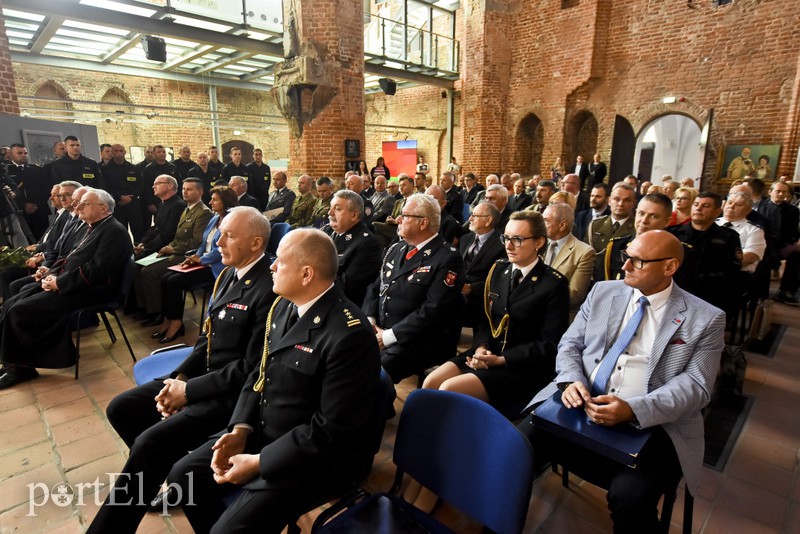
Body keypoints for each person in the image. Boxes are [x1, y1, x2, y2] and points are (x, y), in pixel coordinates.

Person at [168, 228, 380, 533]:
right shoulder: (284, 307)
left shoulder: (349, 334)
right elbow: (260, 373)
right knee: (183, 476)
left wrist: (258, 462)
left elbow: (332, 431)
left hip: (312, 457)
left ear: (306, 274)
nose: (271, 266)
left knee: (228, 529)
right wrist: (240, 428)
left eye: (279, 262)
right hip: (265, 430)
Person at [520, 230, 725, 533]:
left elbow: (697, 385)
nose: (625, 266)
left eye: (637, 261)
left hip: (654, 425)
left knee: (630, 500)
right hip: (579, 404)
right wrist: (572, 380)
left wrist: (633, 409)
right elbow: (569, 344)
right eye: (625, 257)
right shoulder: (604, 291)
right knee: (512, 449)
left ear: (669, 267)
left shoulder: (705, 317)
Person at [87, 207, 276, 534]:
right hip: (203, 379)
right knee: (123, 409)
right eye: (220, 232)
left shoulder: (270, 288)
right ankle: (156, 477)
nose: (218, 241)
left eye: (229, 235)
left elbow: (251, 367)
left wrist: (189, 392)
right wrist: (179, 379)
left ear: (256, 243)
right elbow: (206, 339)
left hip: (231, 397)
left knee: (150, 443)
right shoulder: (230, 273)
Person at [426, 209, 569, 405]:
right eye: (506, 238)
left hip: (520, 366)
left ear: (539, 242)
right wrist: (481, 347)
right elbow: (486, 319)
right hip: (488, 352)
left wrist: (502, 359)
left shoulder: (553, 283)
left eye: (517, 239)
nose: (508, 246)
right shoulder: (499, 269)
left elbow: (549, 344)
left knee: (448, 389)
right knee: (431, 382)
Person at [0, 189, 132, 388]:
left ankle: (22, 368)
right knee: (12, 302)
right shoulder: (93, 227)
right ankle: (12, 361)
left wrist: (59, 283)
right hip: (74, 284)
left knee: (20, 310)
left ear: (103, 208)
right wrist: (50, 274)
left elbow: (96, 270)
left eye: (85, 203)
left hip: (94, 290)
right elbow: (69, 257)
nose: (77, 207)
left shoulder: (114, 230)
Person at [363, 194, 464, 383]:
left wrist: (387, 337)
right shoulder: (397, 248)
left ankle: (378, 407)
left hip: (419, 339)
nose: (398, 219)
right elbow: (376, 286)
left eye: (405, 215)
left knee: (371, 370)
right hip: (381, 330)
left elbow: (434, 310)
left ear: (423, 223)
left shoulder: (447, 257)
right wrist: (370, 320)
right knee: (342, 355)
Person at [152, 185, 239, 343]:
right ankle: (168, 319)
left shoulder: (232, 221)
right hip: (203, 262)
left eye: (214, 199)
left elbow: (223, 247)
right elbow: (203, 243)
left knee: (173, 282)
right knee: (165, 278)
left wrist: (202, 260)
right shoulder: (214, 218)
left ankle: (176, 323)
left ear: (225, 202)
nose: (210, 202)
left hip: (217, 267)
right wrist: (195, 257)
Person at [134, 178, 212, 325]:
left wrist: (172, 249)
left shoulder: (203, 212)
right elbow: (176, 236)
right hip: (174, 251)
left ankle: (157, 312)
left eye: (189, 189)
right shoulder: (186, 210)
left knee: (148, 272)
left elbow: (196, 242)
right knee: (138, 265)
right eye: (184, 189)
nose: (185, 192)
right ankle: (145, 309)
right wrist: (166, 248)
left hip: (185, 255)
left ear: (200, 192)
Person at [669, 192, 743, 315]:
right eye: (696, 204)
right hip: (675, 292)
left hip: (709, 296)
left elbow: (731, 271)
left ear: (717, 212)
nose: (698, 208)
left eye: (706, 206)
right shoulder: (674, 233)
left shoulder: (728, 237)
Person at [323, 190, 382, 306]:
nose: (330, 213)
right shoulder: (328, 230)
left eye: (338, 209)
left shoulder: (367, 243)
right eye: (331, 208)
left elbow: (346, 287)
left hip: (339, 304)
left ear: (354, 215)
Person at [598, 193, 673, 282]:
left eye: (654, 216)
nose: (644, 220)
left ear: (667, 221)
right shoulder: (616, 246)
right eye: (641, 213)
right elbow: (602, 285)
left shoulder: (675, 252)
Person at [459, 201, 506, 329]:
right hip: (457, 290)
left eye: (475, 216)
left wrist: (471, 288)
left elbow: (500, 279)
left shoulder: (502, 245)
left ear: (488, 220)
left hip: (481, 297)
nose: (470, 219)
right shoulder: (465, 239)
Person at [543, 203, 595, 313]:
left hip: (560, 317)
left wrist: (535, 299)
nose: (541, 225)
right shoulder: (537, 244)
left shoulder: (584, 252)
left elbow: (574, 295)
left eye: (546, 221)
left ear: (562, 225)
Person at [132, 175, 185, 260]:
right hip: (155, 245)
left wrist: (146, 248)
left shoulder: (178, 205)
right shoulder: (162, 204)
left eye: (158, 183)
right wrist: (142, 243)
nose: (153, 186)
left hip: (165, 248)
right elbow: (155, 228)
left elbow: (168, 234)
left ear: (170, 186)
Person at [101, 144, 145, 243]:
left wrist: (131, 198)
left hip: (133, 204)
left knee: (138, 230)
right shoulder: (105, 169)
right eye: (116, 151)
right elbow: (105, 187)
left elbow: (140, 185)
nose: (119, 153)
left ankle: (139, 251)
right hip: (116, 204)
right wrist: (119, 197)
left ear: (125, 152)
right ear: (112, 152)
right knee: (120, 231)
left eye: (121, 151)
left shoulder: (133, 168)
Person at [5, 143, 50, 240]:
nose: (23, 155)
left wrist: (36, 204)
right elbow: (10, 191)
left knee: (43, 239)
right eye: (19, 153)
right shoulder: (7, 172)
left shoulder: (37, 170)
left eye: (25, 153)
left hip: (39, 210)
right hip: (18, 211)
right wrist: (23, 205)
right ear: (11, 155)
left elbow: (47, 188)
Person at [717, 191, 766, 274]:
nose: (731, 207)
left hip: (736, 275)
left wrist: (717, 265)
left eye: (738, 205)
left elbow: (751, 256)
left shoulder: (754, 230)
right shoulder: (712, 223)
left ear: (748, 210)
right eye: (730, 203)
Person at [769, 181, 800, 305]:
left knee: (797, 255)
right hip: (763, 243)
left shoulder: (792, 210)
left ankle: (786, 291)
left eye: (784, 192)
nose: (781, 194)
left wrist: (785, 244)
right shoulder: (761, 206)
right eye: (778, 191)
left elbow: (792, 233)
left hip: (780, 245)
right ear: (770, 192)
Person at [587, 183, 636, 252]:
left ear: (634, 203)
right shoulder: (595, 225)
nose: (620, 204)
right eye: (617, 199)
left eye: (627, 200)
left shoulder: (637, 228)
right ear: (609, 201)